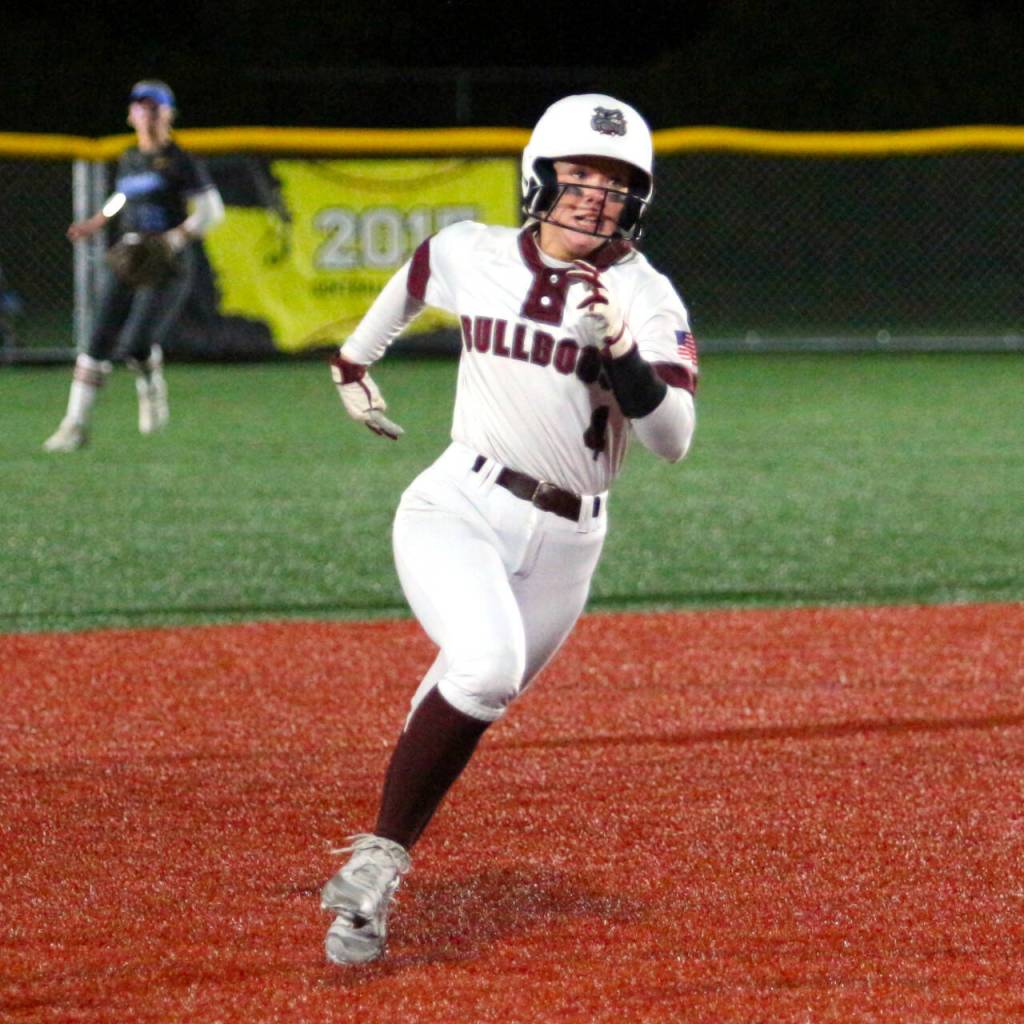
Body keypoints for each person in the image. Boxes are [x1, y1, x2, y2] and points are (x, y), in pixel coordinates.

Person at [320, 93, 700, 965]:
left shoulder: (644, 293)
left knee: (474, 691)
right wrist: (354, 363)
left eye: (616, 181)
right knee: (485, 669)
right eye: (580, 172)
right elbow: (418, 274)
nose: (595, 193)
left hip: (571, 541)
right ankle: (377, 866)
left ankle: (361, 902)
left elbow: (671, 440)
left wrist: (621, 351)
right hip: (458, 500)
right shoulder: (472, 251)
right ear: (540, 174)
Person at [43, 80, 224, 452]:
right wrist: (98, 219)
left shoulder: (180, 160)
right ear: (131, 114)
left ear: (168, 114)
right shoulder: (130, 158)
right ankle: (74, 426)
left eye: (154, 107)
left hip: (167, 261)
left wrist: (175, 238)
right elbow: (124, 195)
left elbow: (211, 212)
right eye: (140, 107)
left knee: (137, 343)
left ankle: (150, 384)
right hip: (129, 255)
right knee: (96, 341)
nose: (147, 114)